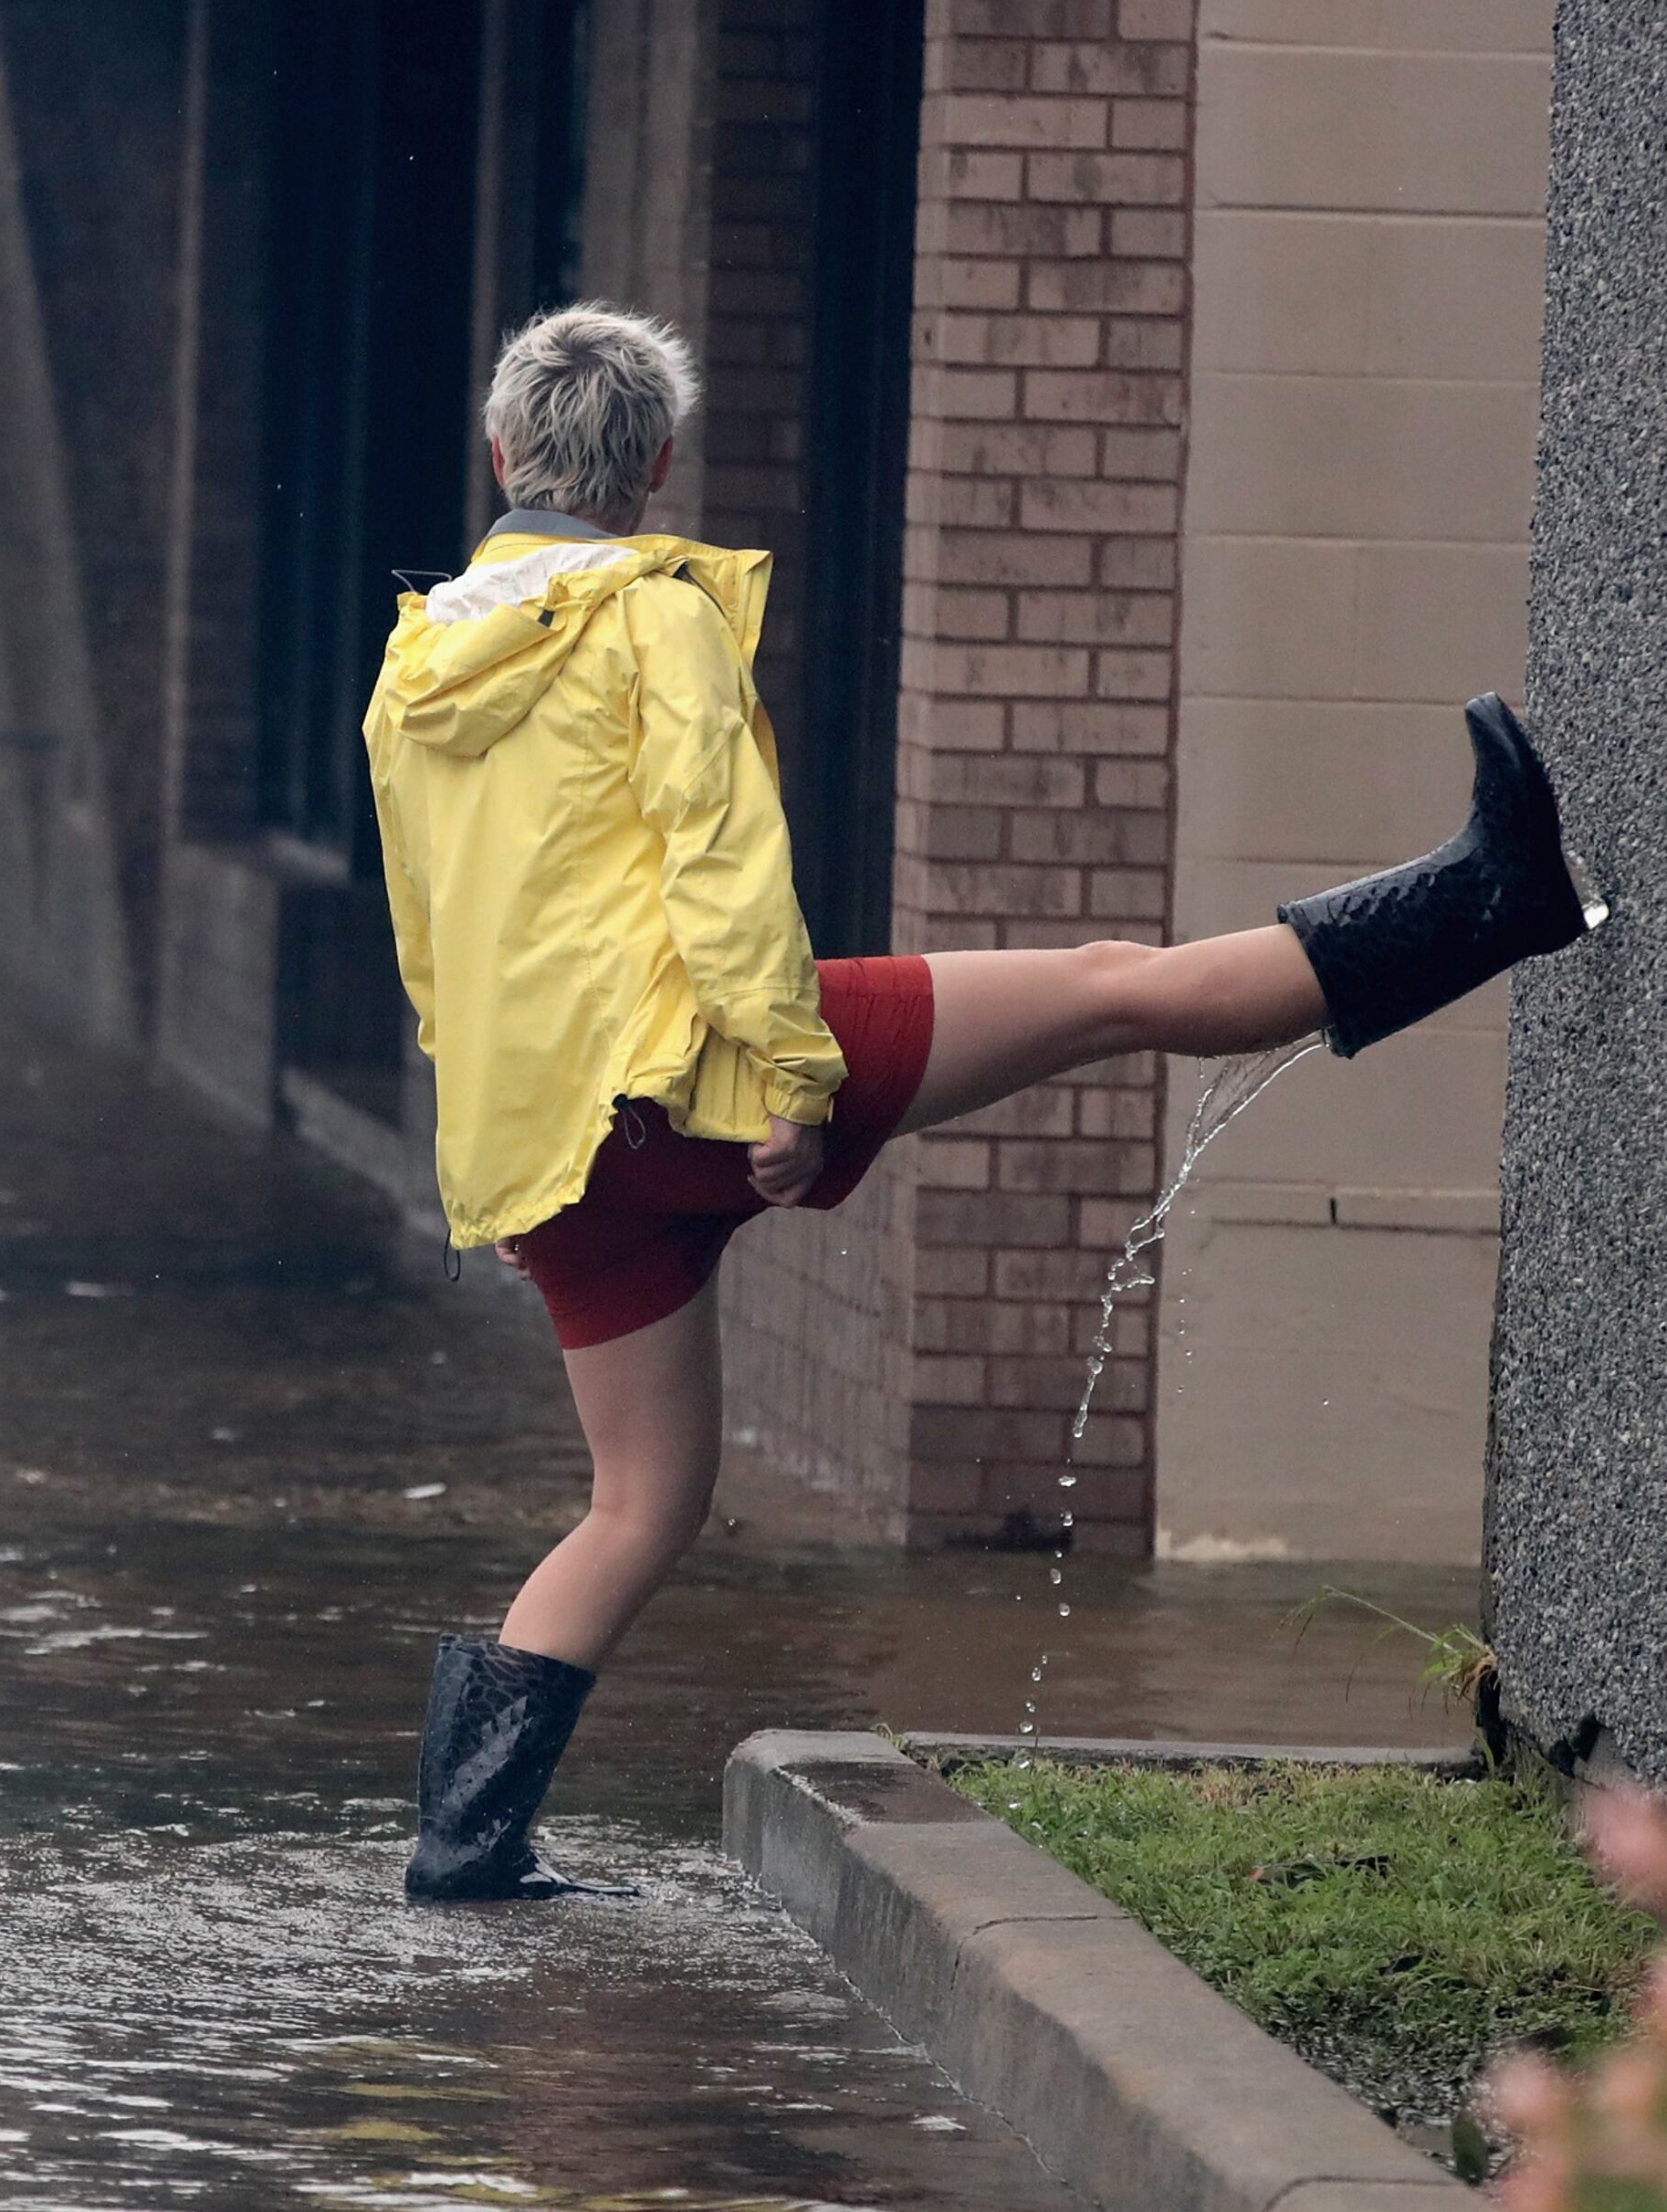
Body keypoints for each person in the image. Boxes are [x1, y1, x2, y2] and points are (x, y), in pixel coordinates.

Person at [366, 305, 1598, 1902]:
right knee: (1110, 988)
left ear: (498, 455)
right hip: (702, 1075)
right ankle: (1496, 901)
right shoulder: (653, 616)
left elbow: (429, 937)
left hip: (545, 1154)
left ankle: (466, 1845)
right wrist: (794, 1083)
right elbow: (726, 872)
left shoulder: (420, 664)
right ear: (659, 466)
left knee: (642, 1501)